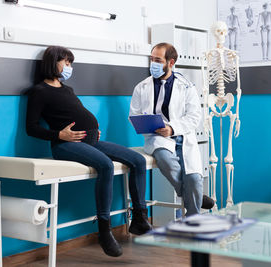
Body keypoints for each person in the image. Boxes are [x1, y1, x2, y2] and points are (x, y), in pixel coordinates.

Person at [26, 46, 152, 257]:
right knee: (105, 165)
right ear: (52, 62)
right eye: (66, 62)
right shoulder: (39, 91)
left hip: (90, 141)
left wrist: (93, 130)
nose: (69, 67)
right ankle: (104, 231)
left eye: (70, 63)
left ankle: (139, 219)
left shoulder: (67, 89)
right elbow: (31, 127)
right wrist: (59, 135)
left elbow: (77, 114)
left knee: (137, 160)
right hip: (65, 146)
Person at [129, 43, 214, 216]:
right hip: (157, 138)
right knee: (166, 161)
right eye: (151, 59)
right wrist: (149, 125)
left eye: (158, 60)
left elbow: (194, 117)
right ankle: (193, 197)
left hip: (183, 136)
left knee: (194, 177)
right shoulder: (141, 87)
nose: (153, 63)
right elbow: (134, 115)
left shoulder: (187, 86)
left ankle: (192, 221)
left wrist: (172, 128)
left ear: (171, 62)